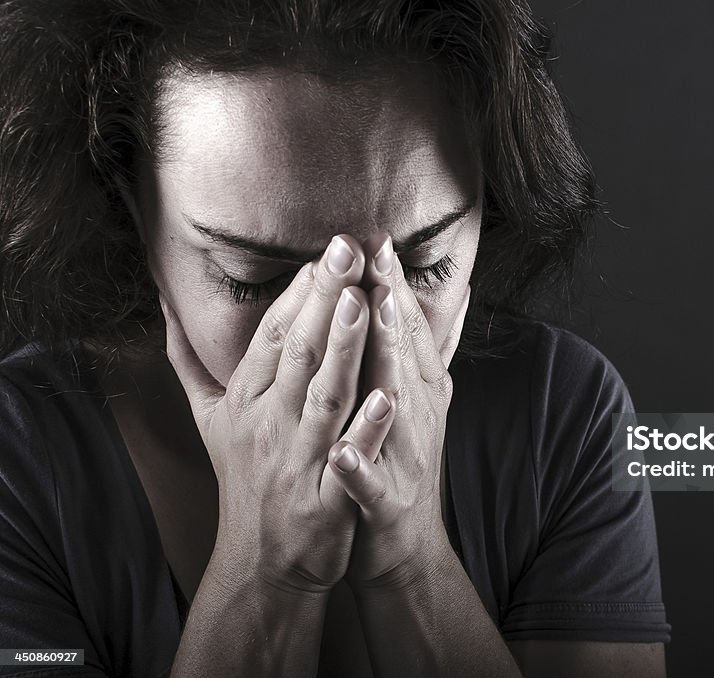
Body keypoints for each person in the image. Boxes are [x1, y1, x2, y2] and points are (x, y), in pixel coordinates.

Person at [0, 0, 670, 675]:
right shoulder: (19, 460)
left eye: (423, 264)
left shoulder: (565, 415)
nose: (345, 338)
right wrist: (266, 571)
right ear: (131, 204)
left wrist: (413, 564)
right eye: (253, 278)